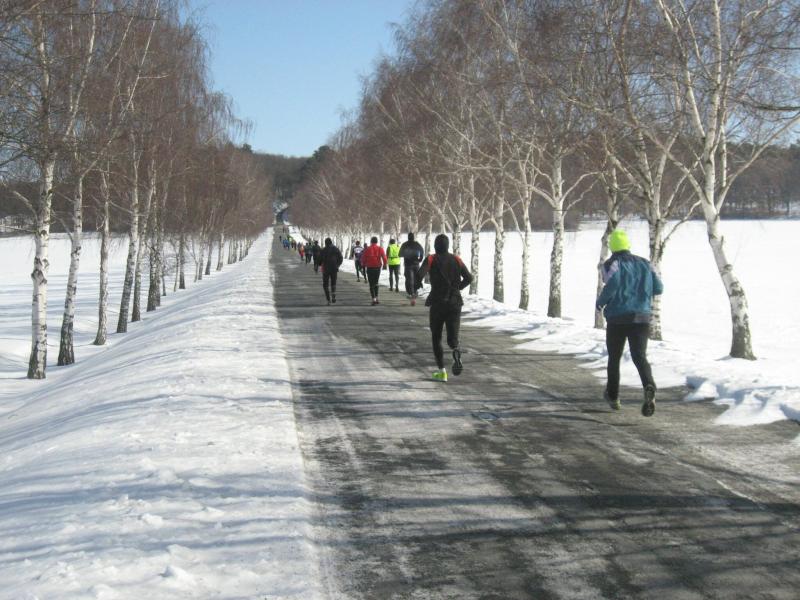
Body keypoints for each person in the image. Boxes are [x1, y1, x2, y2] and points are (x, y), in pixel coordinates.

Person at [596, 229, 663, 417]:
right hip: (642, 317)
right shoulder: (645, 263)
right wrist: (642, 293)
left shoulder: (611, 264)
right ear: (627, 244)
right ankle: (649, 385)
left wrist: (600, 302)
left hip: (618, 318)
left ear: (612, 246)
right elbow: (659, 287)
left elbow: (613, 284)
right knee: (639, 355)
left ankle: (613, 396)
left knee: (614, 357)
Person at [416, 234, 472, 382]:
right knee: (452, 338)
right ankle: (455, 350)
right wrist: (458, 287)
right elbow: (469, 278)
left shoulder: (431, 258)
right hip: (455, 302)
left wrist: (417, 283)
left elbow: (420, 274)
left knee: (436, 337)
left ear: (435, 246)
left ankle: (442, 372)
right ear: (448, 246)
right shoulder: (456, 259)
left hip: (438, 302)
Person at [360, 236, 388, 305]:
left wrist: (363, 265)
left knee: (371, 283)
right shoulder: (380, 248)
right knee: (376, 282)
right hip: (377, 267)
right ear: (377, 241)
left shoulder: (367, 249)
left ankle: (373, 299)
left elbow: (363, 258)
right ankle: (377, 298)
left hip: (370, 267)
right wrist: (385, 264)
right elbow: (384, 257)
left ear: (371, 241)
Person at [400, 232, 424, 305]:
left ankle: (412, 294)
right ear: (413, 237)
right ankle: (415, 292)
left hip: (408, 265)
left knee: (409, 280)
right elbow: (422, 251)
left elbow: (400, 254)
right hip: (416, 264)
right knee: (416, 279)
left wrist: (406, 254)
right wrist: (420, 259)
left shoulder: (404, 244)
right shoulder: (417, 244)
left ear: (408, 237)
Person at [319, 237, 343, 305]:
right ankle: (333, 295)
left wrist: (319, 264)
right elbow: (341, 258)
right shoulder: (336, 249)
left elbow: (320, 260)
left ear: (325, 243)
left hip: (326, 269)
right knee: (333, 283)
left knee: (325, 284)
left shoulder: (323, 250)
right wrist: (337, 265)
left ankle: (328, 300)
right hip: (334, 269)